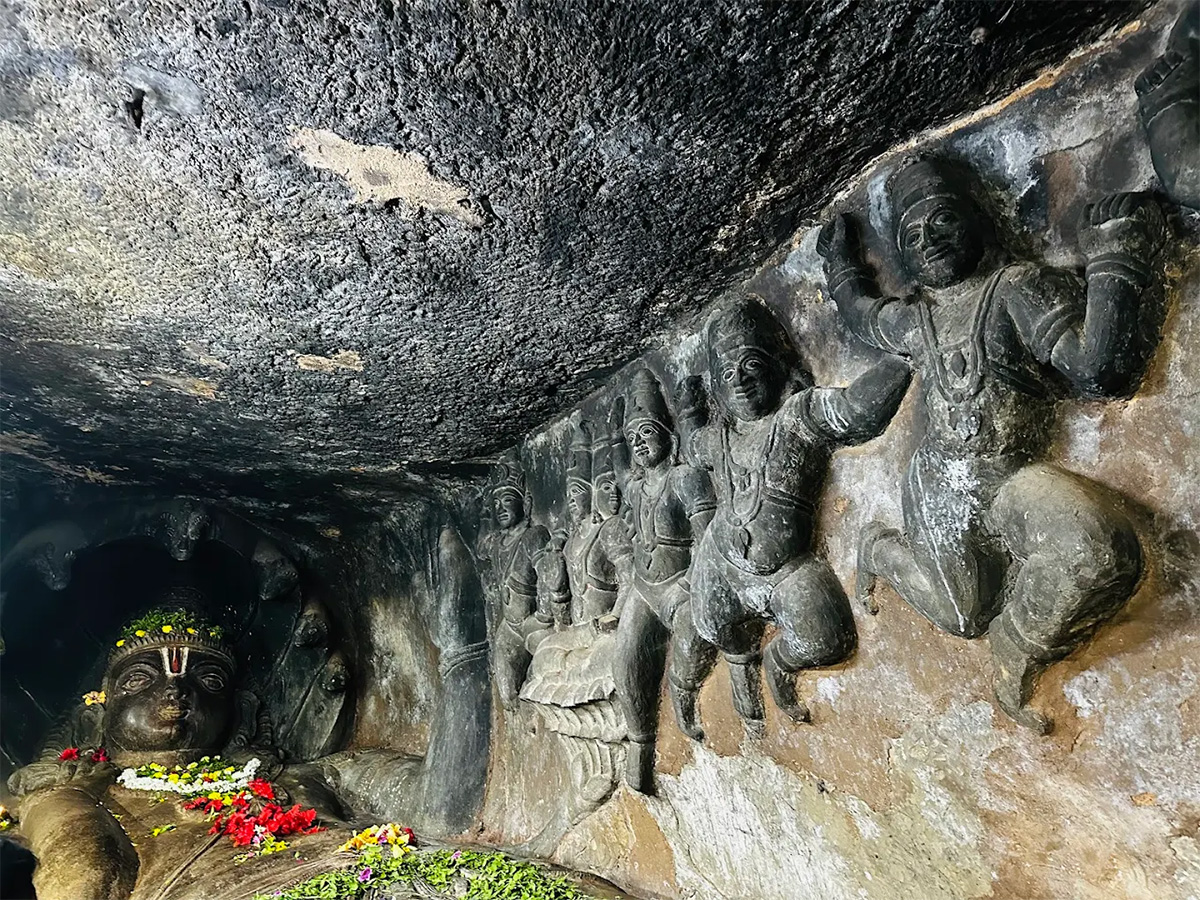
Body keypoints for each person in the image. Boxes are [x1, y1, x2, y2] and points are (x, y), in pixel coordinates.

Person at [818, 156, 1164, 731]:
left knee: (1099, 551)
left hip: (1009, 477)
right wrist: (838, 264)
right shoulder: (916, 319)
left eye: (942, 220)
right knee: (960, 615)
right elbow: (860, 316)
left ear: (978, 221)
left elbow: (1098, 370)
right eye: (911, 237)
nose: (928, 241)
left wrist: (1113, 262)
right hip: (940, 491)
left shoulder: (1016, 288)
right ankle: (882, 548)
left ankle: (1015, 650)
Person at [678, 297, 910, 729]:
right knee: (713, 625)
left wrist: (905, 359)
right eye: (727, 375)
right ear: (719, 391)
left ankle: (778, 664)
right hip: (723, 562)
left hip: (788, 571)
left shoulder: (798, 417)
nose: (741, 383)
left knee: (828, 640)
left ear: (778, 366)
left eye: (751, 366)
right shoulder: (719, 440)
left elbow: (858, 412)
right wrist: (689, 408)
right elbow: (691, 448)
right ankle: (742, 680)